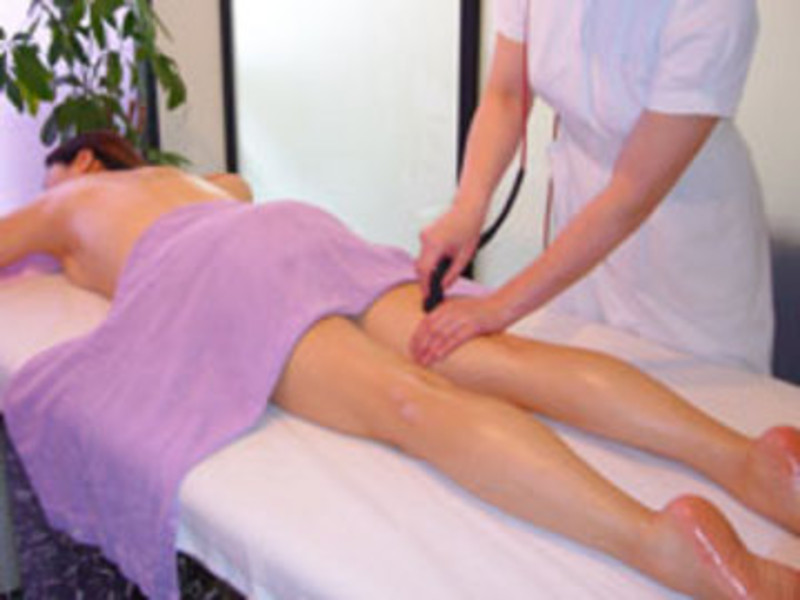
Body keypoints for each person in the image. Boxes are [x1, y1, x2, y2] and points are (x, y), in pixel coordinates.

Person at [1, 132, 798, 599]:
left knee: (407, 401)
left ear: (86, 164)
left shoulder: (69, 200)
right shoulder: (195, 183)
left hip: (219, 269)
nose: (47, 188)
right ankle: (746, 459)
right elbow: (238, 189)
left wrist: (55, 234)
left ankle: (656, 540)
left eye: (53, 173)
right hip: (296, 232)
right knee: (495, 358)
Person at [414, 0, 773, 374]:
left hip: (681, 245)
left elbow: (632, 194)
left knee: (682, 394)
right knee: (572, 381)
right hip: (581, 228)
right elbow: (507, 96)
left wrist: (499, 307)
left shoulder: (713, 9)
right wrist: (468, 207)